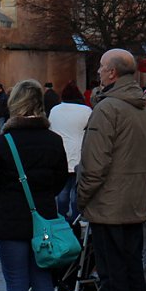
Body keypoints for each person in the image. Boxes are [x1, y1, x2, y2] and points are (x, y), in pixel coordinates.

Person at [0, 79, 68, 291]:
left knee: (16, 285)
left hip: (10, 221)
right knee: (43, 283)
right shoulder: (53, 140)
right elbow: (60, 179)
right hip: (45, 219)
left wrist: (6, 196)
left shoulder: (2, 143)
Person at [77, 49, 146, 291]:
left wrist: (81, 199)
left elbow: (94, 165)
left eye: (100, 67)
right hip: (133, 203)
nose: (97, 71)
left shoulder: (107, 109)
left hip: (108, 206)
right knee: (133, 274)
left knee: (112, 279)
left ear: (112, 73)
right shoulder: (141, 107)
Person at [48, 81, 91, 222]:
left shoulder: (55, 110)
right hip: (80, 154)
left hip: (60, 154)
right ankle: (75, 219)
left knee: (62, 190)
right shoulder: (86, 111)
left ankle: (61, 217)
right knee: (76, 190)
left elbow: (51, 130)